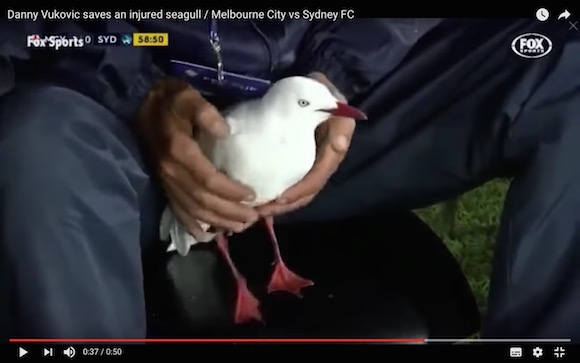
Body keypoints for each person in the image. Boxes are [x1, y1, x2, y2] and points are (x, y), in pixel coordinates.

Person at [0, 18, 578, 340]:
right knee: (32, 141)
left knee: (567, 64)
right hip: (118, 118)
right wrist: (135, 88)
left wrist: (336, 70)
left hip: (344, 94)